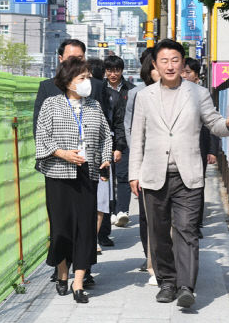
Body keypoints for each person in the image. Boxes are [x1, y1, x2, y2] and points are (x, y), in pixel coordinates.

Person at [129, 39, 229, 308]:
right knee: (158, 234)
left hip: (188, 175)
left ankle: (186, 286)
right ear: (155, 65)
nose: (170, 66)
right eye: (164, 61)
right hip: (153, 175)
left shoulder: (198, 93)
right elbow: (138, 137)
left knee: (187, 230)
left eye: (175, 60)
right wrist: (133, 174)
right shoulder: (144, 97)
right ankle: (167, 283)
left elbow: (214, 123)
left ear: (183, 63)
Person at [35, 57, 113, 304]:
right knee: (60, 229)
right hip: (59, 174)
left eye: (88, 77)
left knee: (85, 228)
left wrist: (106, 157)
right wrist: (62, 153)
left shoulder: (93, 106)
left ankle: (78, 281)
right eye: (82, 78)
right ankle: (62, 273)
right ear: (68, 82)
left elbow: (105, 136)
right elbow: (42, 137)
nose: (87, 82)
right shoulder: (51, 105)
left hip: (87, 173)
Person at [122, 49, 160, 281]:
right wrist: (137, 157)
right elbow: (129, 127)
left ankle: (164, 259)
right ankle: (150, 258)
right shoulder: (137, 94)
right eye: (156, 65)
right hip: (146, 162)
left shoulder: (183, 92)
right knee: (147, 214)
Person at [183, 58, 220, 238]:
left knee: (197, 184)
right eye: (182, 71)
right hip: (179, 150)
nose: (184, 75)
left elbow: (212, 123)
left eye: (188, 72)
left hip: (200, 146)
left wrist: (212, 150)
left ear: (197, 76)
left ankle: (195, 224)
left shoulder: (202, 94)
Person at [103, 55, 135, 228]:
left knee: (123, 175)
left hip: (127, 138)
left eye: (116, 70)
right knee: (107, 176)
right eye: (109, 70)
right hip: (106, 138)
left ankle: (123, 211)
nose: (113, 74)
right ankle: (111, 211)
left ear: (122, 71)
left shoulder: (131, 90)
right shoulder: (100, 89)